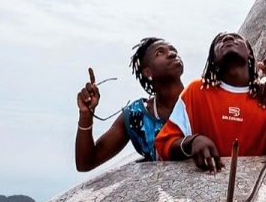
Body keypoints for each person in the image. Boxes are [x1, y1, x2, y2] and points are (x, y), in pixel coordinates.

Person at [155, 32, 266, 172]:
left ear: (250, 53)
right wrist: (192, 142)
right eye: (220, 40)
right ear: (213, 59)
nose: (228, 38)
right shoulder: (196, 91)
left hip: (251, 200)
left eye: (237, 38)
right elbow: (164, 144)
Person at [74, 38, 184, 171]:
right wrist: (86, 114)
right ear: (147, 72)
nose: (172, 54)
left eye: (174, 50)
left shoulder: (201, 98)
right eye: (160, 53)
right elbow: (85, 163)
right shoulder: (136, 116)